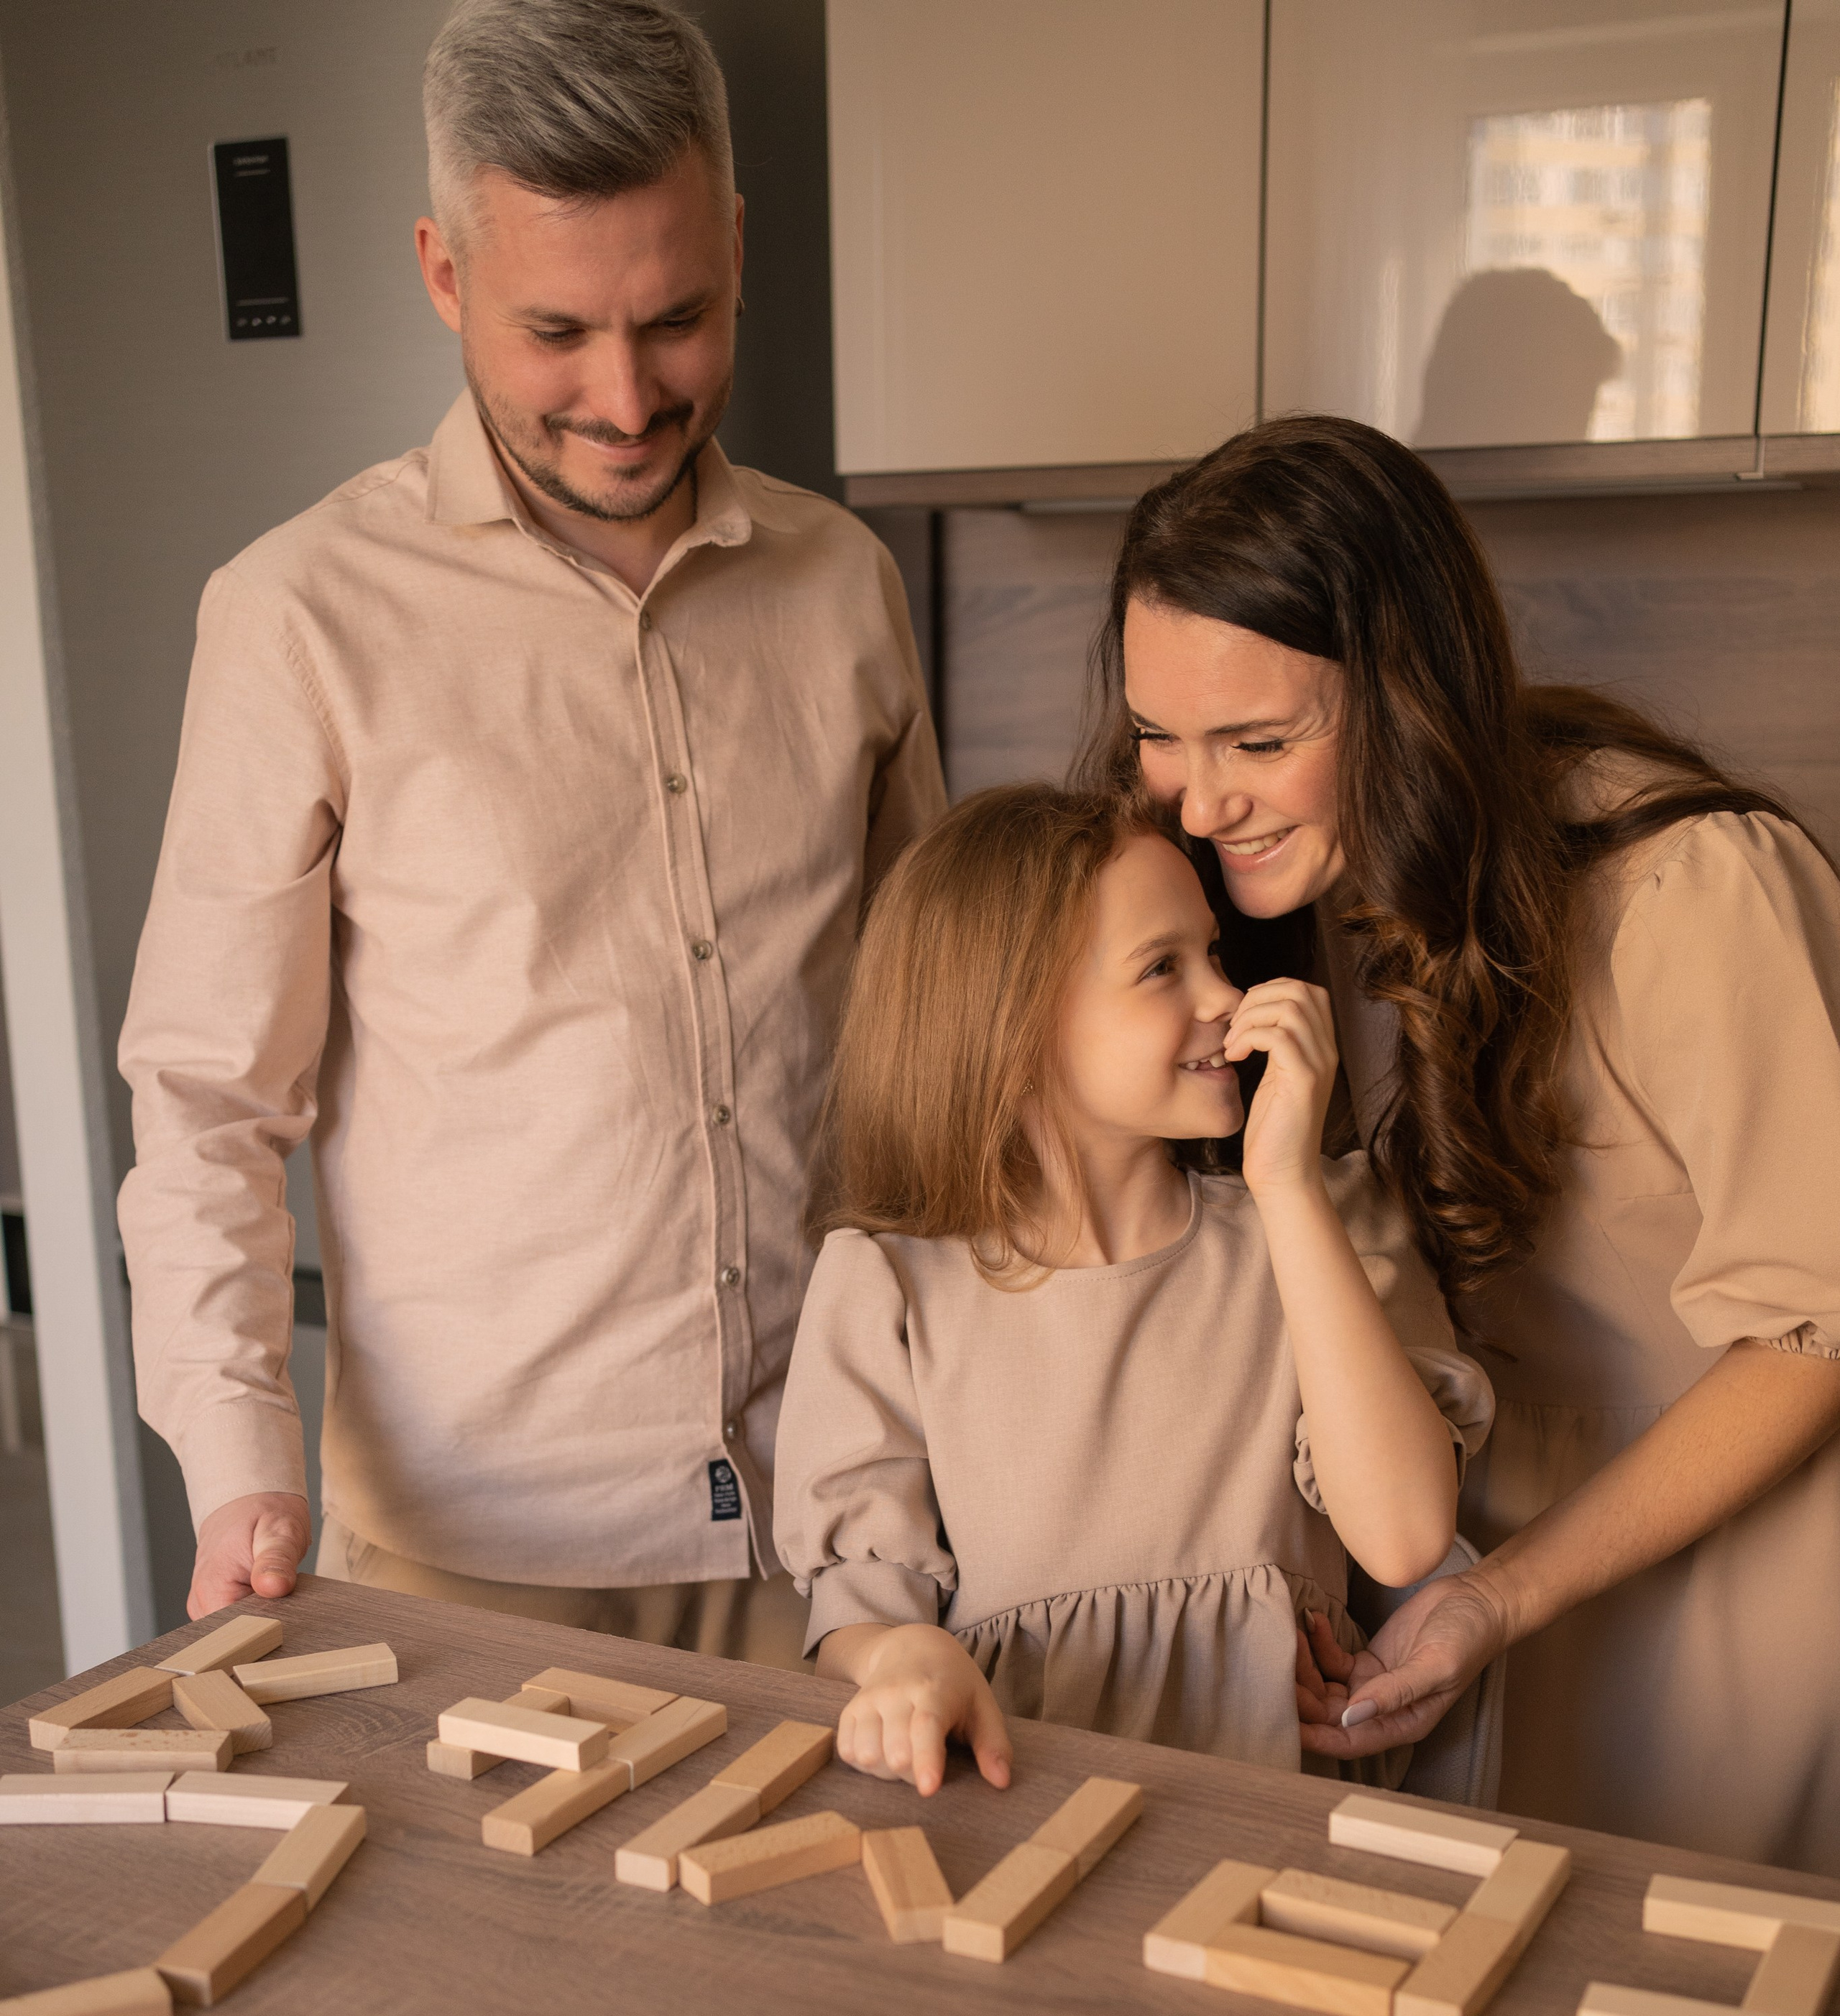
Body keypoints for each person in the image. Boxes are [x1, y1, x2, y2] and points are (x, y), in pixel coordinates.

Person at [116, 0, 943, 1659]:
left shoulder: (843, 584)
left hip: (837, 1519)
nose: (626, 399)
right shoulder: (297, 618)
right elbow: (206, 1096)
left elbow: (938, 1030)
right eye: (555, 332)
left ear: (733, 245)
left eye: (678, 321)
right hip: (469, 1559)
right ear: (442, 275)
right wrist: (236, 1463)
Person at [1090, 413, 1840, 1869]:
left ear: (1407, 695)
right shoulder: (1235, 902)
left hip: (1723, 1606)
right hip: (1455, 1588)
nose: (1196, 797)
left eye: (1256, 740)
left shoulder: (1689, 886)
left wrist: (1504, 1595)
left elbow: (1817, 1326)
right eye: (1159, 736)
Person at [773, 785, 1491, 1797]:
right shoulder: (889, 1286)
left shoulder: (1323, 1225)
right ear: (1009, 1023)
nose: (1226, 998)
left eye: (1214, 953)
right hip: (1022, 1822)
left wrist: (1283, 1183)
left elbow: (1406, 1531)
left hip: (1277, 1824)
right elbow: (864, 1601)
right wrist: (902, 1665)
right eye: (1162, 968)